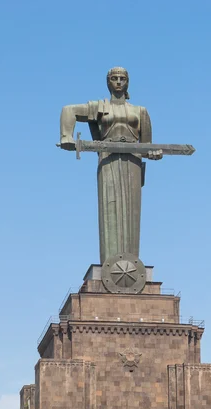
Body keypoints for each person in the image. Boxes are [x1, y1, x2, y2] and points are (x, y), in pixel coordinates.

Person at [59, 67, 162, 264]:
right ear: (108, 82)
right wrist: (66, 136)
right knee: (109, 208)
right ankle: (110, 265)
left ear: (128, 82)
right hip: (107, 161)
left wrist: (153, 154)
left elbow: (147, 147)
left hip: (132, 162)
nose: (118, 82)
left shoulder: (140, 111)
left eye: (122, 78)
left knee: (132, 213)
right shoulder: (100, 107)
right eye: (114, 78)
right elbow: (68, 110)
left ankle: (131, 263)